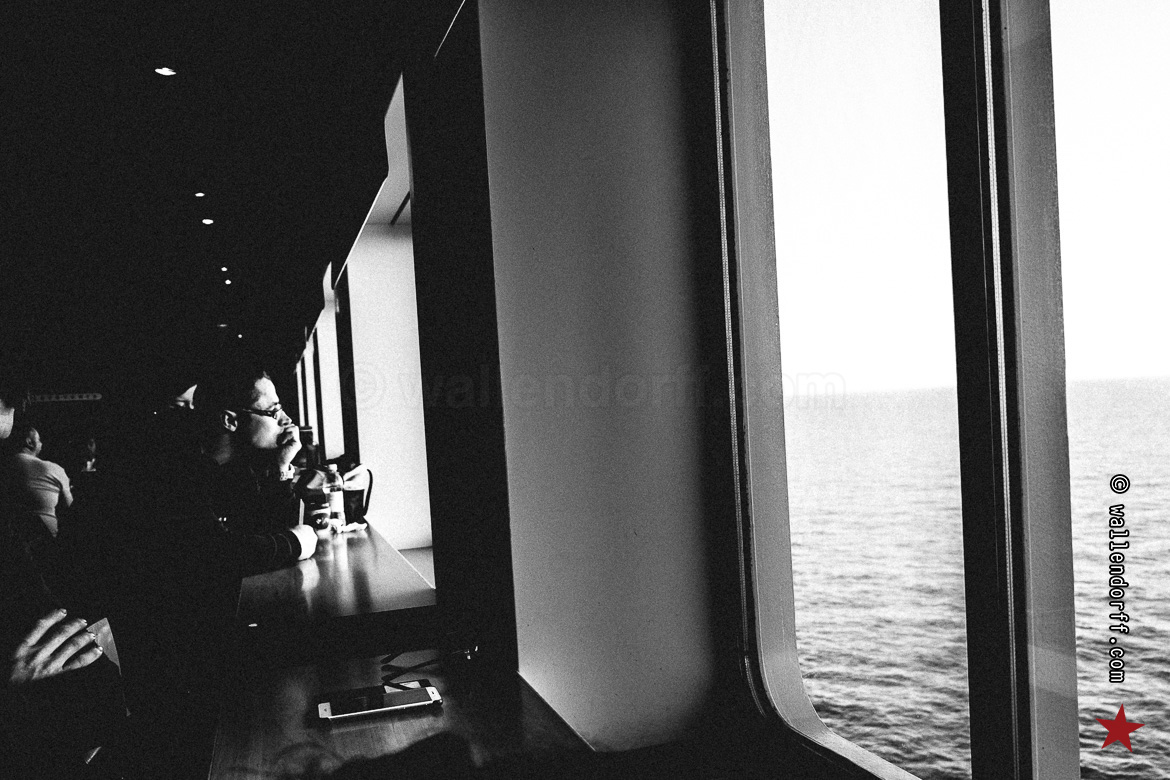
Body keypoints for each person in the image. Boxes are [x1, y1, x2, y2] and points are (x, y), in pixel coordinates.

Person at [87, 363, 318, 778]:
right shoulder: (175, 474)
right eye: (274, 411)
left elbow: (264, 532)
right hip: (176, 671)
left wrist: (284, 465)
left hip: (201, 644)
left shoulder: (228, 470)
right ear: (231, 420)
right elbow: (224, 553)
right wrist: (296, 542)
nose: (287, 420)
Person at [1, 422, 73, 539]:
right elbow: (69, 506)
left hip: (11, 535)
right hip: (46, 537)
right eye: (39, 440)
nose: (41, 443)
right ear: (29, 442)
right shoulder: (55, 469)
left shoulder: (5, 467)